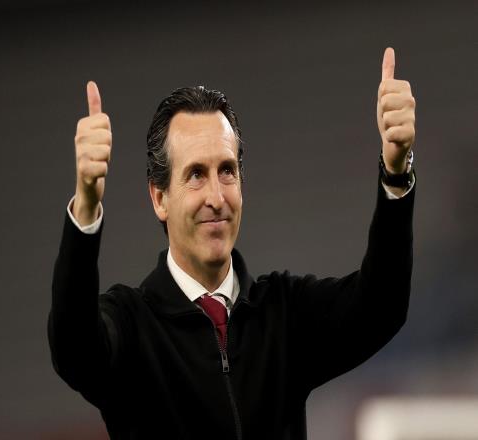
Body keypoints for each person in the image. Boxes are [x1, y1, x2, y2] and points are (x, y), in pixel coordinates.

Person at [48, 47, 416, 440]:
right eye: (195, 174)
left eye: (226, 171)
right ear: (159, 198)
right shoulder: (132, 326)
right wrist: (86, 206)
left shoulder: (283, 315)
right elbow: (74, 350)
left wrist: (395, 172)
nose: (216, 197)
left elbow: (381, 307)